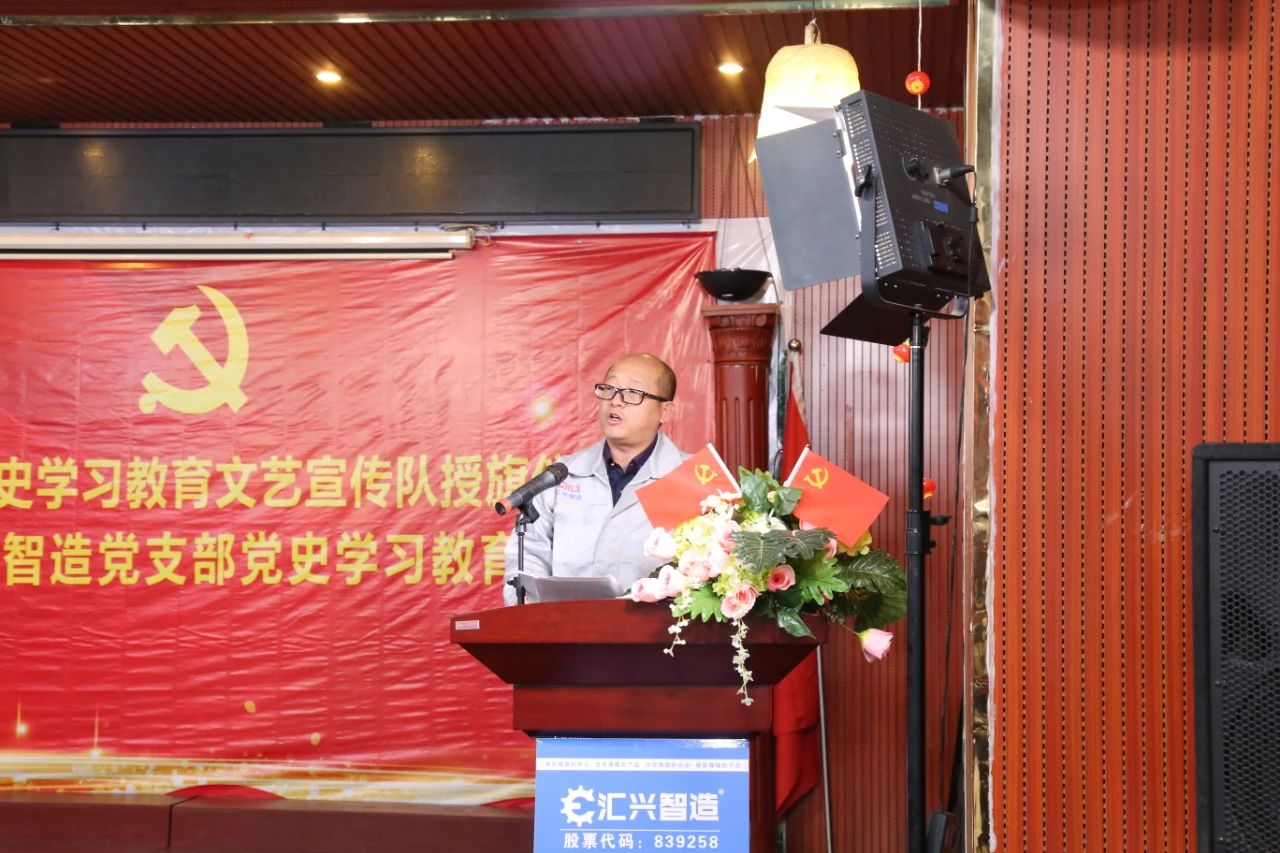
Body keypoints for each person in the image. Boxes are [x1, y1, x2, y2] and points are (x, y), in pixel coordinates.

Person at [502, 353, 688, 605]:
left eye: (633, 392)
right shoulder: (561, 474)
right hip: (566, 626)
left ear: (665, 411)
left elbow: (714, 574)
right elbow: (528, 556)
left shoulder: (691, 478)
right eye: (609, 389)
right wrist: (533, 615)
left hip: (661, 628)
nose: (616, 401)